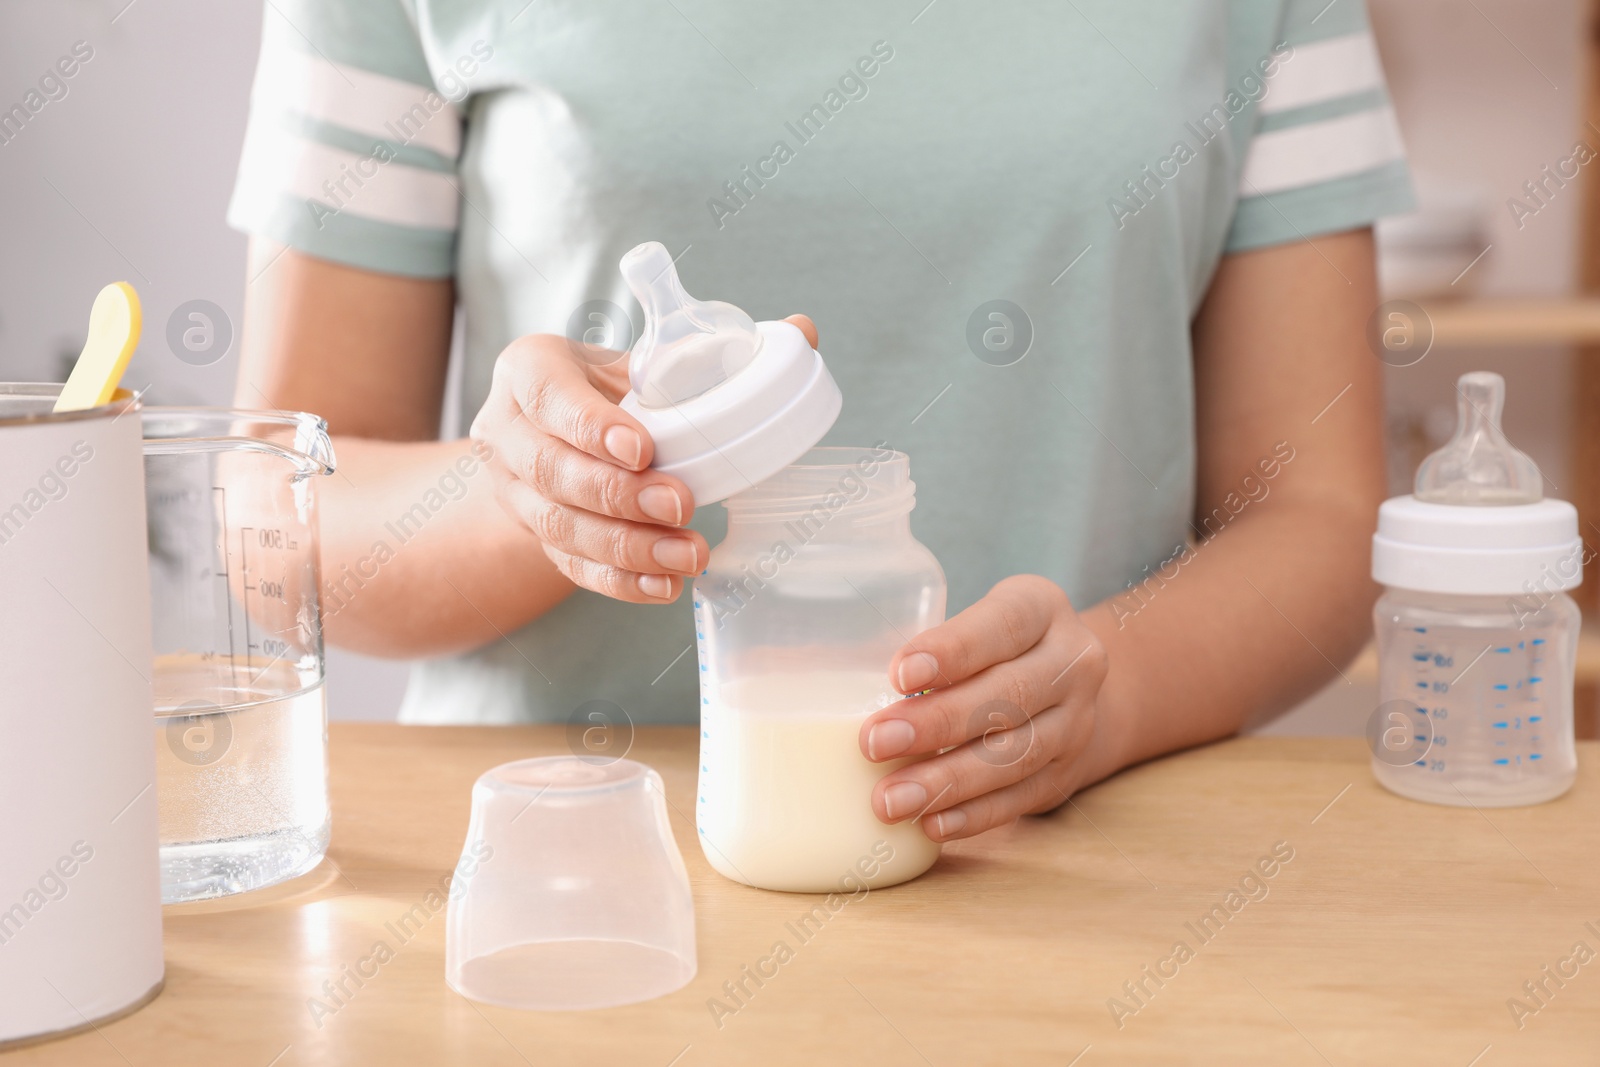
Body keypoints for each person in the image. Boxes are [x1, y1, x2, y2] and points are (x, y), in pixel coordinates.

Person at [228, 0, 1411, 843]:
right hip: (572, 870)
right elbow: (279, 521)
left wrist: (1112, 690)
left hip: (1079, 872)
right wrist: (528, 495)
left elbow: (1317, 509)